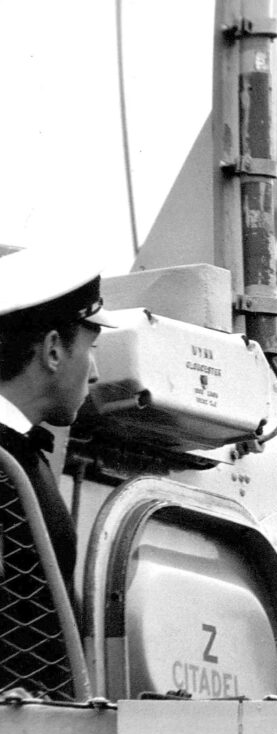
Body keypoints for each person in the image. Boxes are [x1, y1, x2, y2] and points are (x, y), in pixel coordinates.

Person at [0, 244, 115, 589]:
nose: (94, 373)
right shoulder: (10, 464)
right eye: (90, 349)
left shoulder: (21, 457)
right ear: (53, 350)